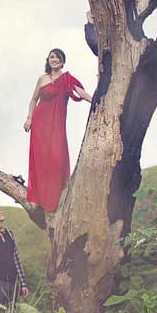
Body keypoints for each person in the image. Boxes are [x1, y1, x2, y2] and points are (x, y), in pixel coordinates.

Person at [23, 49, 93, 211]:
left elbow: (80, 92)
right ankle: (39, 198)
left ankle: (55, 198)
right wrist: (29, 118)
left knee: (56, 157)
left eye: (58, 58)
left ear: (62, 62)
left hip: (57, 125)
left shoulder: (66, 78)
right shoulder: (42, 79)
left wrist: (95, 100)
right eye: (52, 57)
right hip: (40, 123)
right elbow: (34, 100)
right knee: (40, 158)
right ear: (48, 60)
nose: (54, 60)